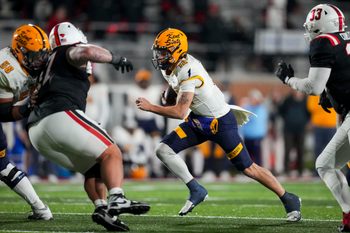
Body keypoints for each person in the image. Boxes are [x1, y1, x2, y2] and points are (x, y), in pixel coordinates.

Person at [136, 28, 301, 221]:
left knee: (248, 168)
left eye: (163, 52)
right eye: (159, 52)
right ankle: (196, 189)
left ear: (177, 50)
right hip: (198, 120)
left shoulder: (190, 70)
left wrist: (151, 107)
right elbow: (175, 87)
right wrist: (169, 94)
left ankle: (289, 199)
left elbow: (180, 112)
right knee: (163, 150)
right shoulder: (171, 67)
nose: (159, 57)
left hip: (220, 123)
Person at [27, 22, 150, 232]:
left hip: (37, 132)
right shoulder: (67, 51)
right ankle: (117, 198)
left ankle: (102, 208)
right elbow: (87, 51)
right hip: (60, 115)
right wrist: (115, 58)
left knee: (94, 169)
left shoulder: (47, 62)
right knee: (112, 152)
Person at [275, 4, 350, 232]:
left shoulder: (322, 42)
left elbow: (313, 86)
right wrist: (332, 93)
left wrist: (288, 79)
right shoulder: (344, 40)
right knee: (326, 164)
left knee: (325, 165)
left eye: (312, 27)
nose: (310, 31)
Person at [0, 24, 53, 220]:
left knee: (3, 166)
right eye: (35, 56)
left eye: (42, 55)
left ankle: (41, 209)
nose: (40, 61)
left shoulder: (29, 64)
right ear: (19, 51)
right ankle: (40, 209)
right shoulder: (6, 69)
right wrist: (28, 107)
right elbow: (3, 112)